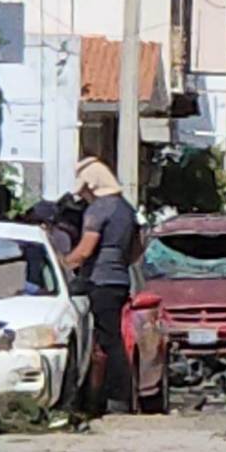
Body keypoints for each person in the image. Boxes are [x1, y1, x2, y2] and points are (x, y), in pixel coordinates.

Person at [63, 157, 142, 414]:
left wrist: (61, 264)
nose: (83, 195)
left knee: (105, 340)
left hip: (99, 281)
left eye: (85, 190)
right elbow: (136, 251)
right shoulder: (126, 209)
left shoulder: (98, 210)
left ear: (93, 186)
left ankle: (115, 398)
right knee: (113, 339)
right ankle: (117, 397)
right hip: (119, 281)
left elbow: (85, 250)